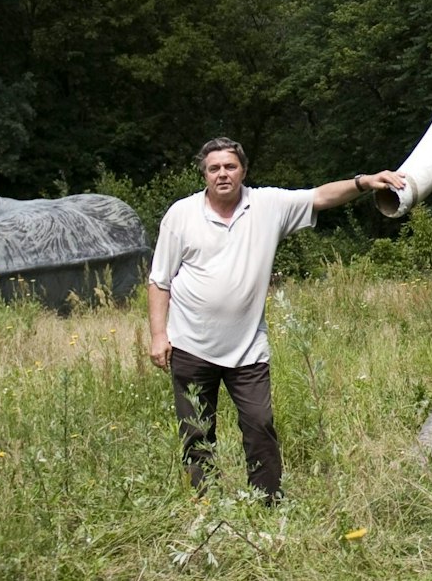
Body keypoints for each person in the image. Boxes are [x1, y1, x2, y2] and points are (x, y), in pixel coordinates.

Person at [147, 137, 404, 502]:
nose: (223, 174)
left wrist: (364, 182)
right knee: (196, 431)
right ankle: (205, 505)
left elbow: (320, 196)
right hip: (190, 345)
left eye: (230, 167)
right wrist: (159, 335)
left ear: (244, 171)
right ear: (204, 174)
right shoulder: (181, 215)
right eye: (214, 168)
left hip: (248, 347)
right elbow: (159, 281)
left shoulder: (267, 205)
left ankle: (267, 502)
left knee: (259, 425)